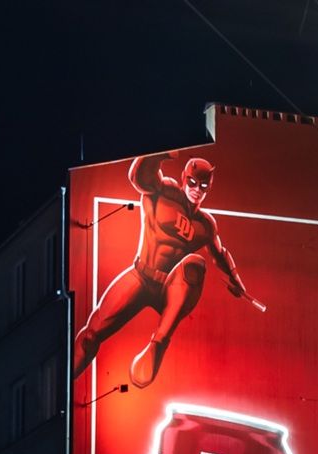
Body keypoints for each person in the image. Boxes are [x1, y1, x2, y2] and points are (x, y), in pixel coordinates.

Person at [72, 155, 265, 389]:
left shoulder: (205, 225)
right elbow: (139, 177)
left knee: (194, 264)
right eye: (192, 183)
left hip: (170, 290)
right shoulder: (164, 192)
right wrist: (157, 152)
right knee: (91, 336)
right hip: (142, 275)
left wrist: (236, 281)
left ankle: (159, 342)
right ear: (185, 179)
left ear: (209, 189)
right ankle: (63, 385)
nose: (196, 190)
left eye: (203, 186)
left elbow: (219, 253)